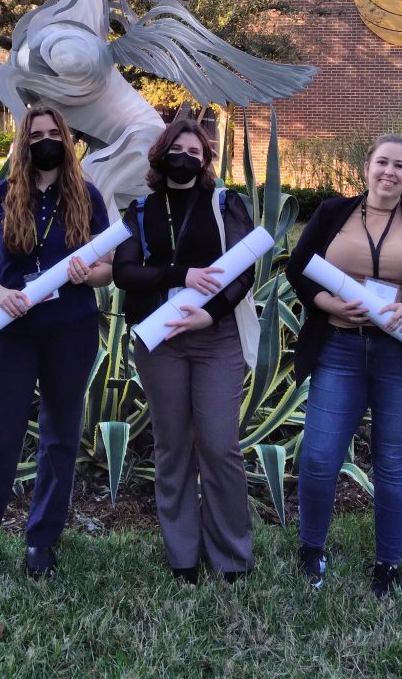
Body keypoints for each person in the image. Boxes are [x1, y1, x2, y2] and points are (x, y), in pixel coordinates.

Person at [286, 134, 402, 596]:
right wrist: (327, 304)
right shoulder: (332, 213)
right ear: (366, 168)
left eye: (399, 166)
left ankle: (388, 564)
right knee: (320, 457)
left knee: (393, 463)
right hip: (340, 349)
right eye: (381, 163)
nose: (389, 173)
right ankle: (311, 550)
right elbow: (298, 267)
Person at [0, 105, 112, 594]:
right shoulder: (1, 195)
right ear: (24, 142)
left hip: (72, 329)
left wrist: (91, 273)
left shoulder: (88, 196)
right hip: (13, 332)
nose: (46, 140)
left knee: (59, 439)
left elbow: (109, 265)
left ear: (66, 139)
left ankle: (42, 540)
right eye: (36, 134)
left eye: (53, 133)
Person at [112, 119, 256, 585]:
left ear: (205, 161)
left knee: (219, 445)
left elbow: (243, 270)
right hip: (159, 340)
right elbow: (125, 273)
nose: (188, 157)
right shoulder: (138, 211)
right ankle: (183, 558)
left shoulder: (223, 203)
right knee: (172, 446)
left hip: (216, 338)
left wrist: (209, 314)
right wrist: (180, 275)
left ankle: (232, 557)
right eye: (180, 148)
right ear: (161, 153)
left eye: (197, 152)